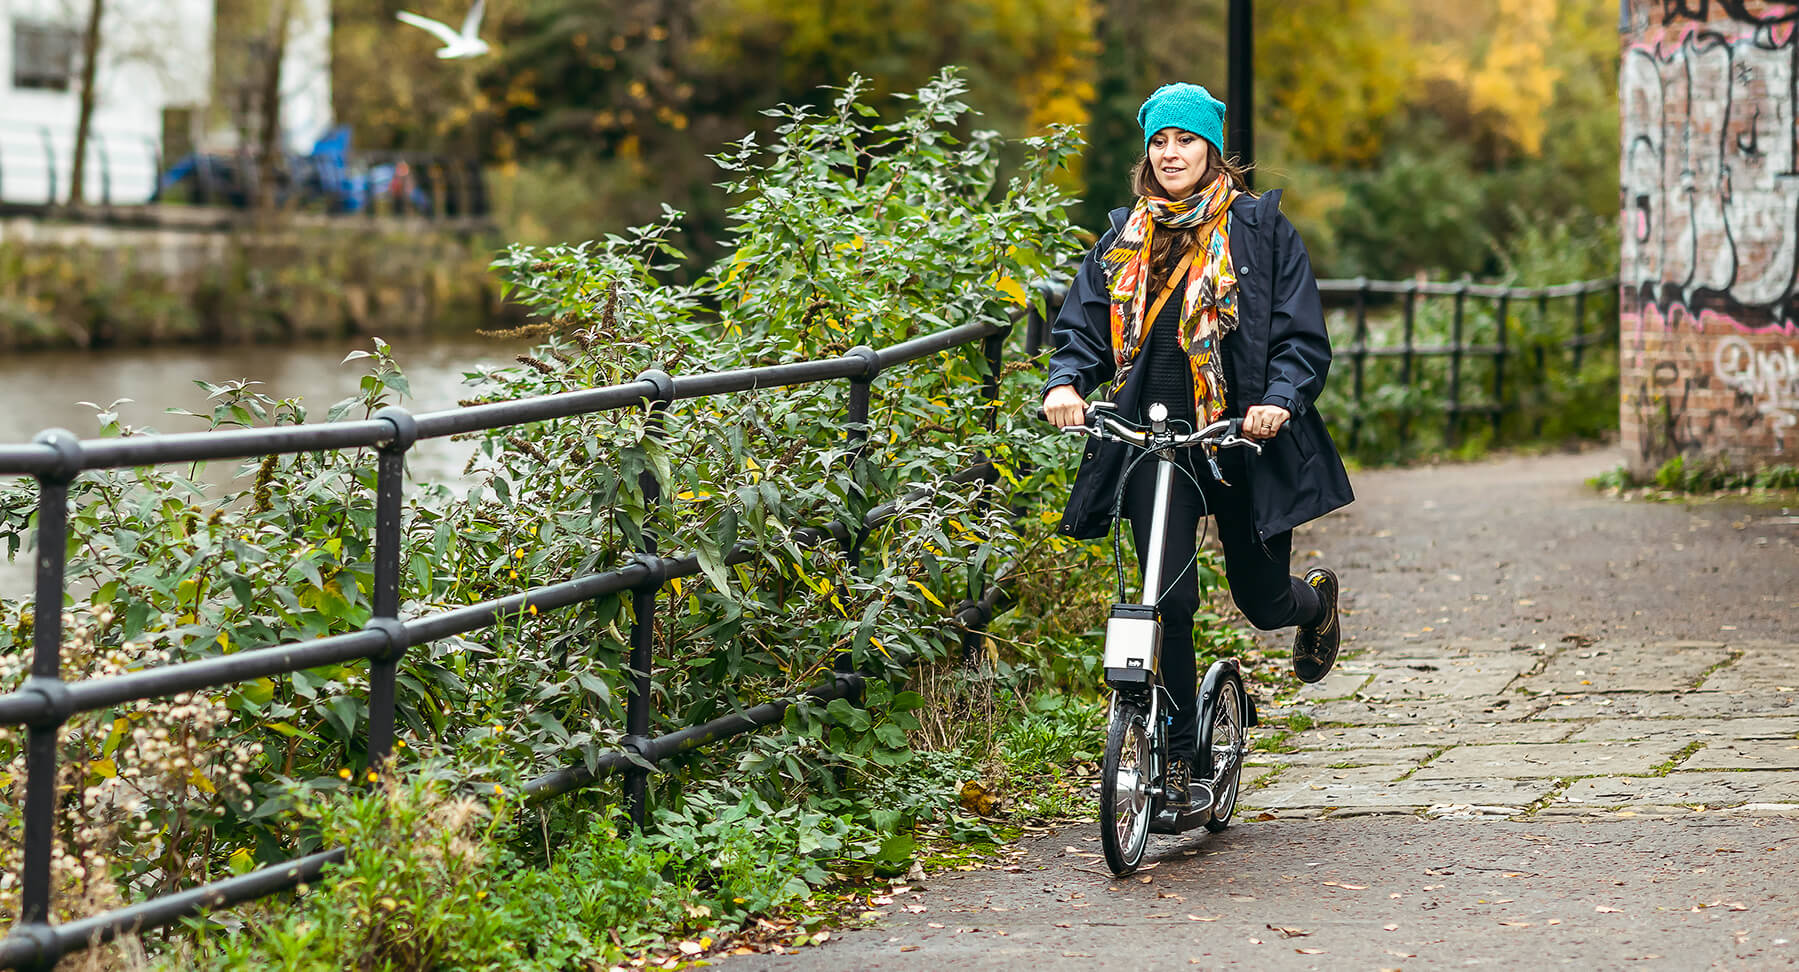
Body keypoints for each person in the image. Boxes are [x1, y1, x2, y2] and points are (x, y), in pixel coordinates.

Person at [1042, 82, 1353, 804]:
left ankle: (1314, 607)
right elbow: (1082, 331)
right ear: (1146, 153)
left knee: (1260, 599)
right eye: (1159, 141)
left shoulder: (1261, 229)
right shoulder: (1124, 235)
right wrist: (1065, 383)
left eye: (1184, 140)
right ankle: (1182, 763)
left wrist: (1276, 401)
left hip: (1239, 437)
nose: (1170, 153)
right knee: (1164, 604)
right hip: (1155, 441)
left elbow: (1301, 338)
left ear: (1211, 149)